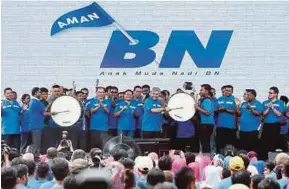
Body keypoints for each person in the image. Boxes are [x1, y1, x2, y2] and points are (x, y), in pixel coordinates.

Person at [262, 87, 285, 157]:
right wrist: (269, 108)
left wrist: (273, 108)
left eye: (271, 93)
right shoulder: (265, 102)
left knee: (274, 141)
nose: (269, 94)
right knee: (265, 141)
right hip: (266, 124)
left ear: (276, 94)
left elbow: (279, 114)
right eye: (269, 92)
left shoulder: (280, 102)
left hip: (275, 125)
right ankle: (266, 157)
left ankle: (273, 157)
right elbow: (263, 114)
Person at [29, 87, 50, 155]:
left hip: (36, 125)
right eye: (39, 92)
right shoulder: (36, 102)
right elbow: (44, 113)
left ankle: (35, 157)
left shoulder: (33, 101)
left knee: (36, 143)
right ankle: (36, 158)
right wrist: (53, 113)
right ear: (35, 93)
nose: (41, 94)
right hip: (37, 125)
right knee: (37, 144)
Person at [215, 85, 237, 153]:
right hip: (220, 125)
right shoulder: (220, 99)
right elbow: (215, 110)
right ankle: (219, 156)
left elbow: (235, 111)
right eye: (226, 90)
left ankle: (229, 157)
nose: (227, 92)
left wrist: (225, 109)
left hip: (230, 126)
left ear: (232, 92)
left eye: (229, 91)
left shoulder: (235, 100)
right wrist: (219, 109)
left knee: (229, 144)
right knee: (219, 144)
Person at [195, 84, 215, 153]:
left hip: (206, 124)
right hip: (205, 124)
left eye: (201, 90)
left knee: (205, 144)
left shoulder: (207, 100)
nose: (200, 91)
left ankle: (206, 159)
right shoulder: (204, 100)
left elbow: (207, 112)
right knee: (204, 143)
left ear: (207, 91)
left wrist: (197, 107)